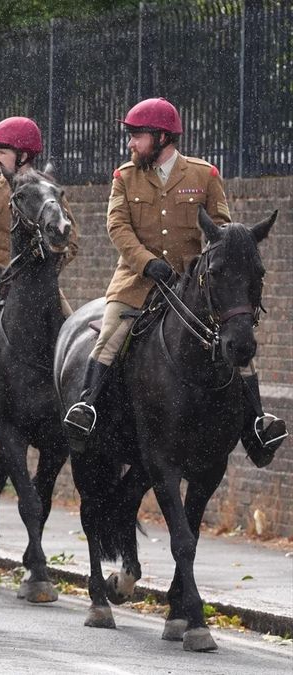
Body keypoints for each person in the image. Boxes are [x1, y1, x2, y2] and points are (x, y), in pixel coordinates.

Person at [63, 98, 285, 463]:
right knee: (109, 337)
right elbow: (117, 227)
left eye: (138, 136)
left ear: (163, 137)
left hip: (193, 285)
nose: (131, 143)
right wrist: (147, 263)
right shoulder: (125, 177)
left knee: (236, 340)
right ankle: (86, 410)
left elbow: (222, 228)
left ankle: (258, 425)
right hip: (137, 281)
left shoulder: (204, 175)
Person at [0, 116, 79, 327]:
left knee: (70, 330)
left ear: (22, 156)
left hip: (36, 285)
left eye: (2, 151)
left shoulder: (48, 192)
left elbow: (70, 239)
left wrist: (43, 270)